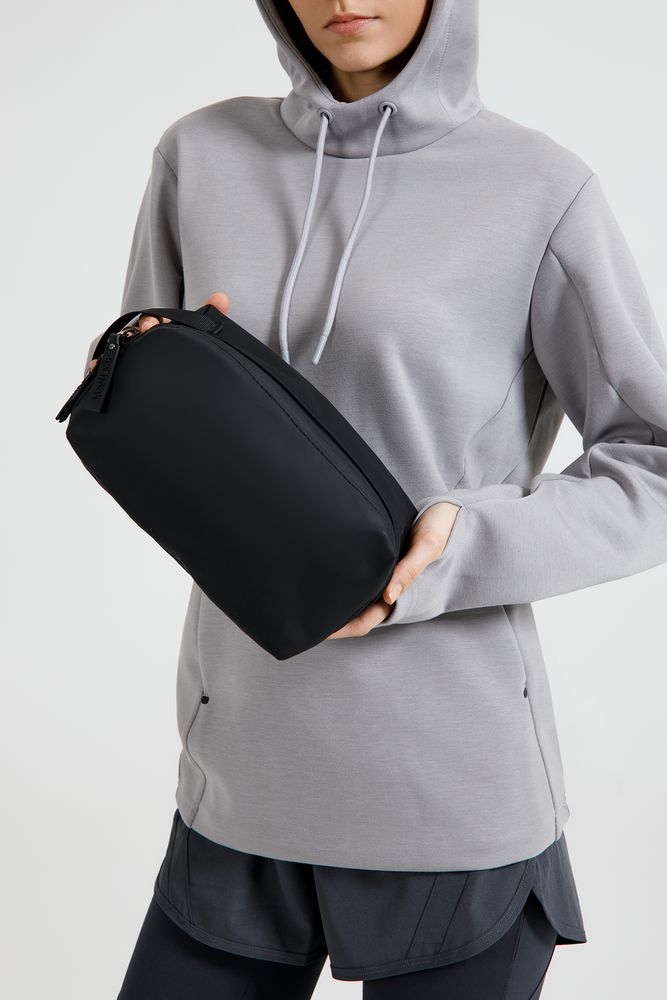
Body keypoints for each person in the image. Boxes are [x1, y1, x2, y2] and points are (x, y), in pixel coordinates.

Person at [89, 1, 667, 997]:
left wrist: (465, 541)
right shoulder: (199, 157)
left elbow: (652, 459)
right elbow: (143, 410)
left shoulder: (539, 187)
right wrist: (163, 389)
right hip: (238, 775)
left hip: (447, 786)